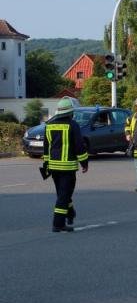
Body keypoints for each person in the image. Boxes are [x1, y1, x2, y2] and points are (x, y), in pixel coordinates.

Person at [43, 96, 89, 232]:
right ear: (70, 112)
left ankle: (70, 213)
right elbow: (79, 146)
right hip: (67, 167)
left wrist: (46, 164)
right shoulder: (72, 125)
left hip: (53, 167)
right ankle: (58, 224)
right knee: (64, 195)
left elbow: (46, 147)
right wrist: (84, 163)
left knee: (62, 193)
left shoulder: (49, 124)